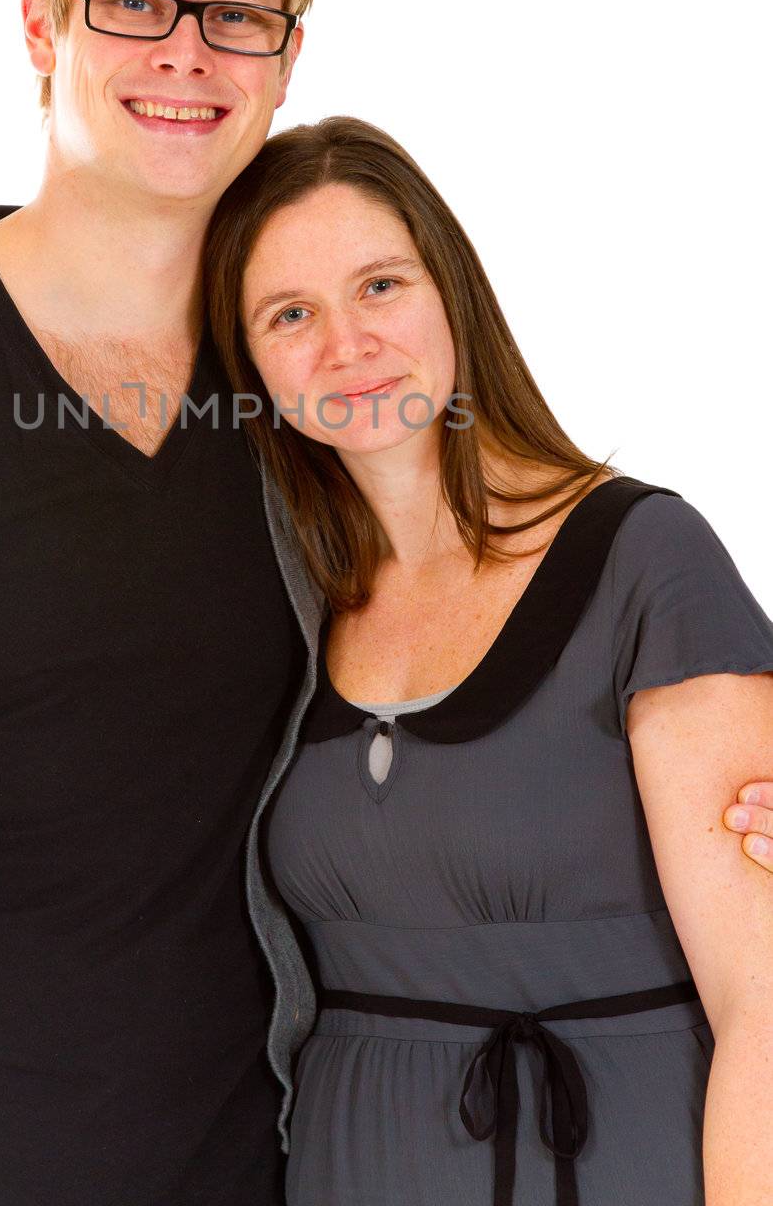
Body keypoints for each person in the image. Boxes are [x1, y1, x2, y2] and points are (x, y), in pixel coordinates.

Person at [0, 0, 769, 1206]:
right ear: (41, 29)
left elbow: (472, 692)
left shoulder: (301, 399)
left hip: (272, 1170)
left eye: (234, 17)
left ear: (283, 58)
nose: (185, 55)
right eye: (136, 4)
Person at [201, 113, 773, 1205]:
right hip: (343, 1167)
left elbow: (761, 1002)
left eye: (378, 286)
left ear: (449, 288)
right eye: (289, 313)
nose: (345, 343)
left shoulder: (644, 560)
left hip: (617, 1163)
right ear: (250, 360)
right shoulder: (286, 603)